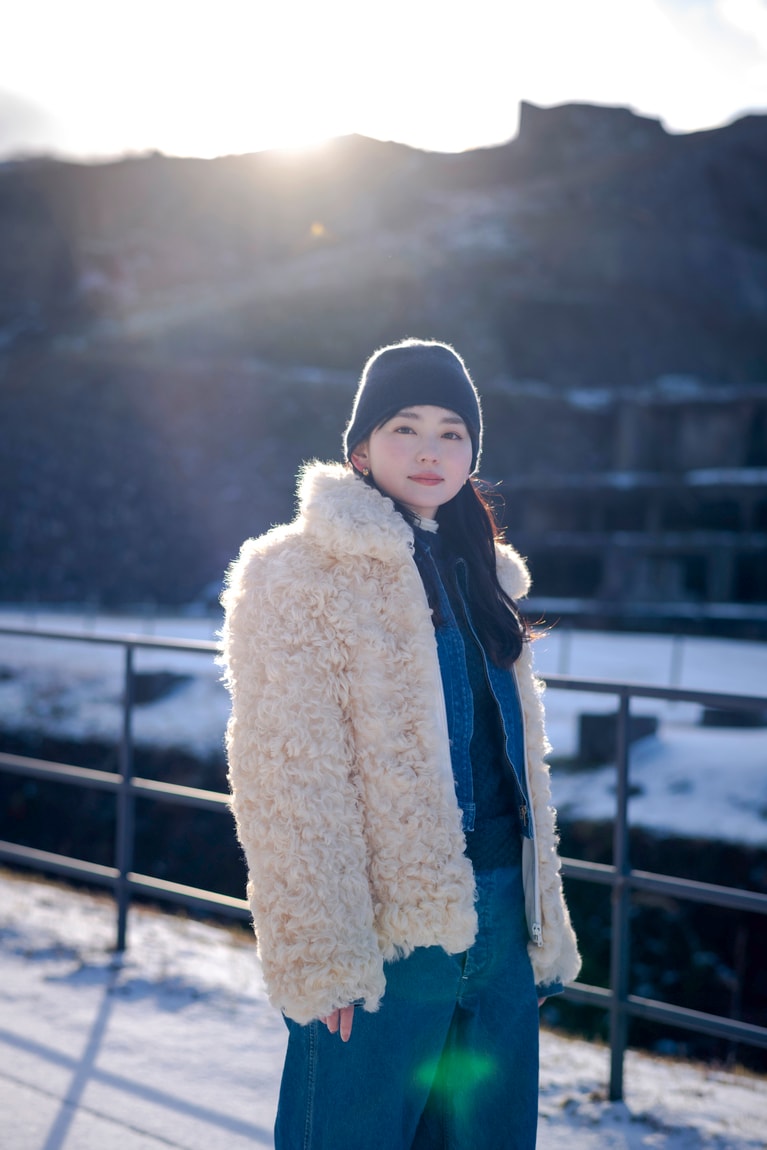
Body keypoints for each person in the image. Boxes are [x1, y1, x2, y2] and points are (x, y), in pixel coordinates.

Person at [221, 338, 581, 1150]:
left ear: (471, 454)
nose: (429, 449)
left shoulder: (481, 575)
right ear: (360, 447)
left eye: (451, 432)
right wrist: (324, 956)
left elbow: (520, 777)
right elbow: (286, 781)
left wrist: (535, 928)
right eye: (404, 427)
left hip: (498, 932)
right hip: (385, 942)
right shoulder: (297, 575)